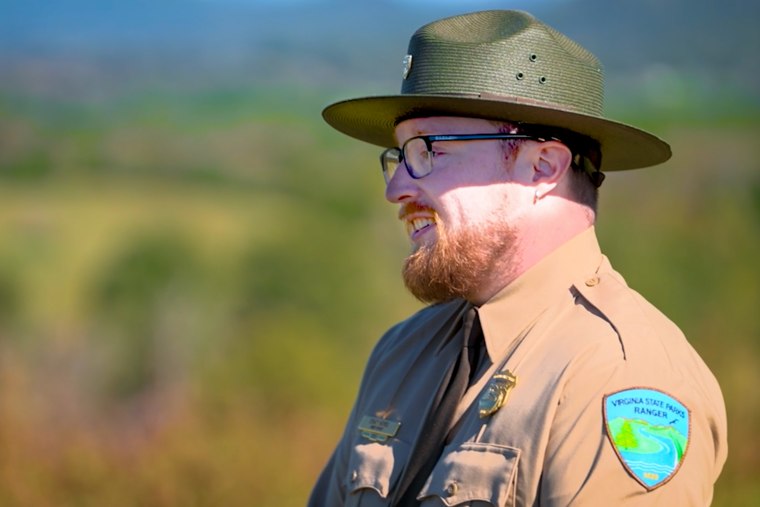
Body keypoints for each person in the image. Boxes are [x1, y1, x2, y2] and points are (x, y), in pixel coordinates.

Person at [309, 10, 727, 506]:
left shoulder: (620, 377)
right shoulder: (403, 352)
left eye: (427, 152)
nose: (397, 188)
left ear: (542, 167)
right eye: (398, 157)